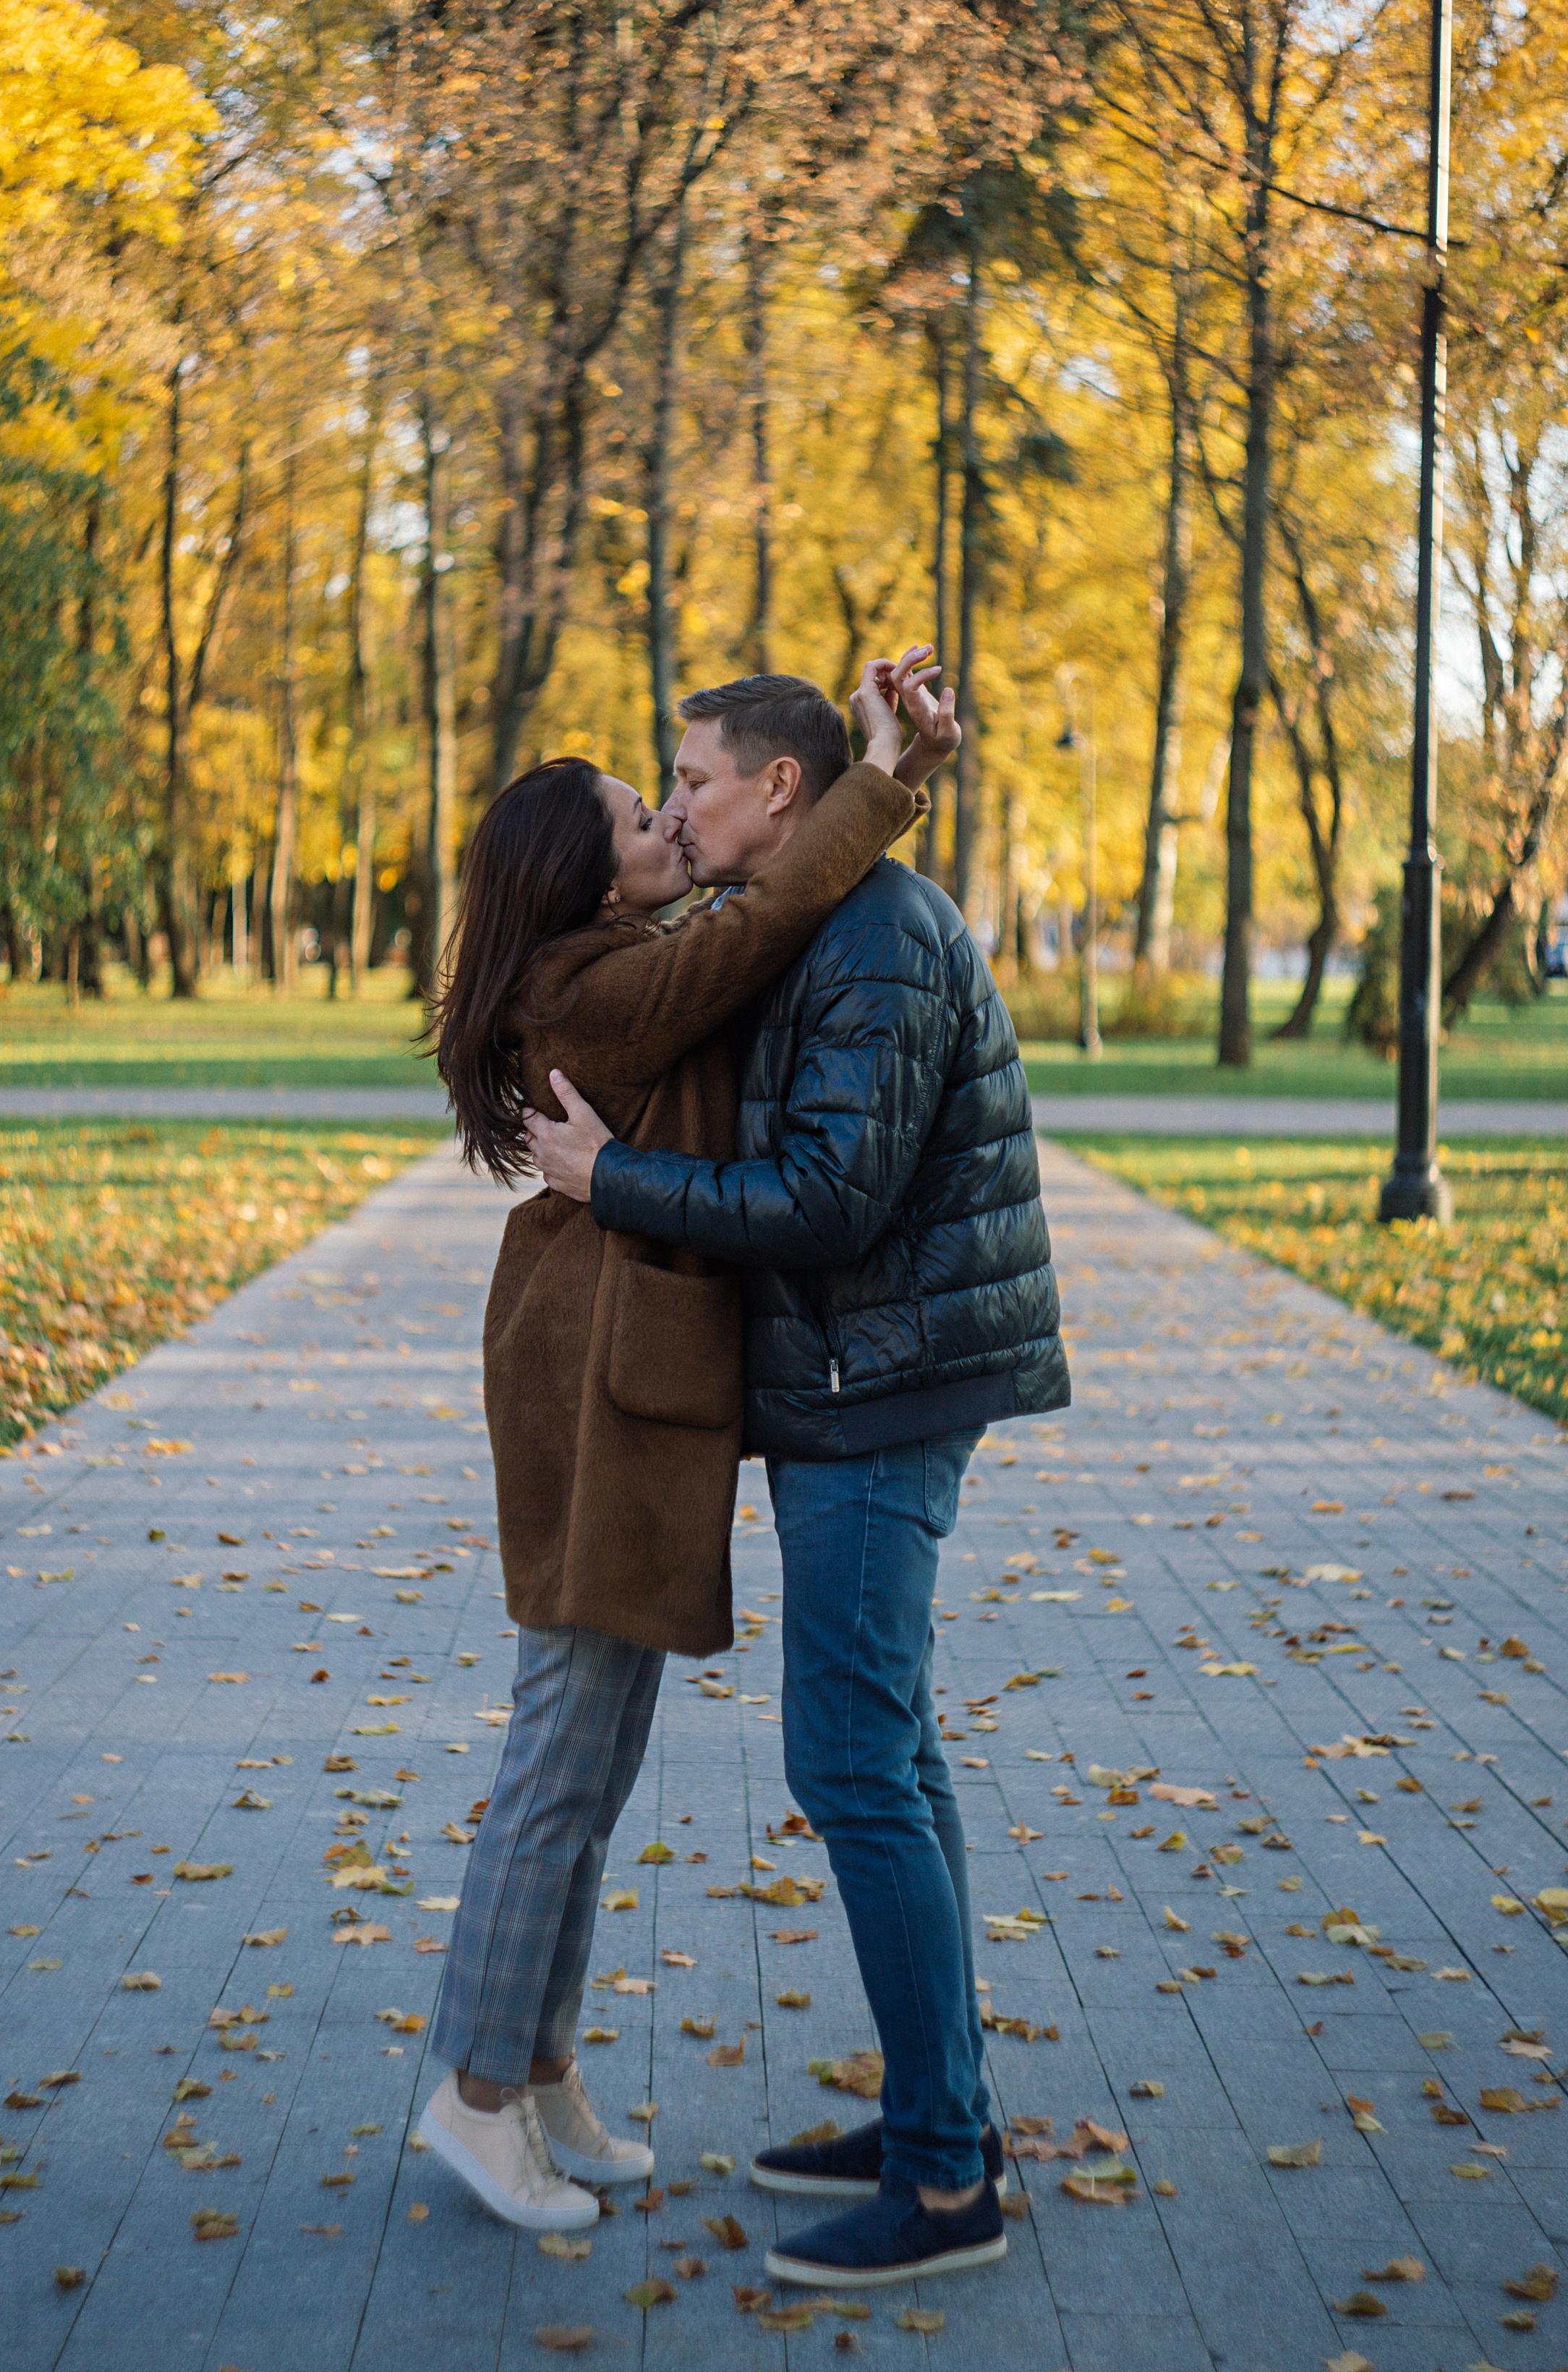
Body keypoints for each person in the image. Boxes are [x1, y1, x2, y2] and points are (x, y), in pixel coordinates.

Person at [525, 671, 1070, 2292]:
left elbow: (832, 1200)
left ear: (778, 787)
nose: (673, 805)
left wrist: (614, 1179)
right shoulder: (816, 918)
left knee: (850, 1761)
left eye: (691, 777)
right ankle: (940, 2123)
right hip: (858, 1380)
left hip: (883, 1389)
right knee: (895, 1751)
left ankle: (944, 2186)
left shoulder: (879, 937)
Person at [416, 652, 958, 2235]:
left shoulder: (622, 960)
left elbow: (757, 922)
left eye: (670, 792)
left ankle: (538, 2070)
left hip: (618, 1380)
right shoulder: (595, 987)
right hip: (588, 1387)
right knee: (556, 1767)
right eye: (636, 813)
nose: (665, 818)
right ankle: (475, 2095)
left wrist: (883, 780)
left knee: (591, 1769)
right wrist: (886, 778)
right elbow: (767, 921)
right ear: (586, 875)